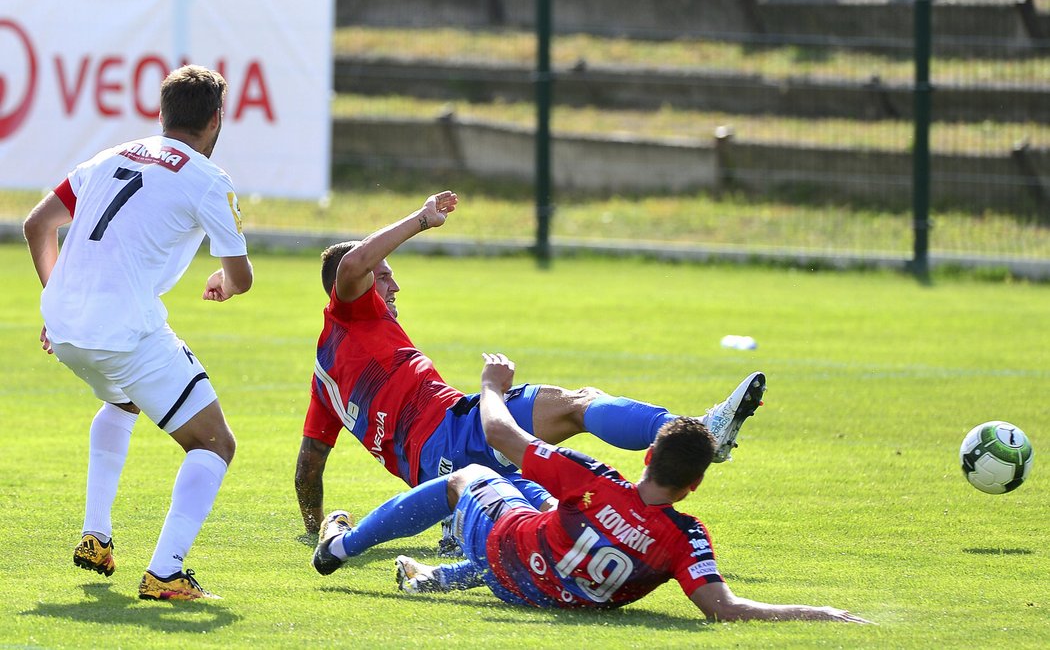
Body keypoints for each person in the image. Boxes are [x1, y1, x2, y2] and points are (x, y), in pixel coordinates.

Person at [294, 193, 767, 544]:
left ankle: (465, 527)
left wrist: (315, 527)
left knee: (559, 514)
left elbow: (308, 468)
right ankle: (700, 431)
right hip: (458, 431)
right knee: (577, 407)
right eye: (383, 276)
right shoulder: (352, 312)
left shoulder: (325, 379)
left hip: (439, 471)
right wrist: (421, 218)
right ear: (351, 288)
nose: (394, 284)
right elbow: (355, 262)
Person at [310, 354, 871, 623]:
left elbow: (499, 432)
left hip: (513, 567)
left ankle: (339, 547)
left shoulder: (596, 482)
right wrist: (821, 613)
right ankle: (441, 576)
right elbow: (726, 608)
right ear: (694, 485)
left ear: (647, 456)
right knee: (541, 501)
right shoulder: (687, 537)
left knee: (471, 478)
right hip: (559, 590)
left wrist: (490, 384)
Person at [23, 64, 253, 601]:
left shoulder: (111, 155)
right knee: (215, 442)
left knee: (123, 401)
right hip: (123, 330)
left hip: (66, 325)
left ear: (161, 113)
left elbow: (37, 224)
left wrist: (63, 303)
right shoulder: (209, 180)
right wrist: (223, 279)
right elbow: (241, 276)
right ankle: (166, 573)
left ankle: (96, 538)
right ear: (218, 118)